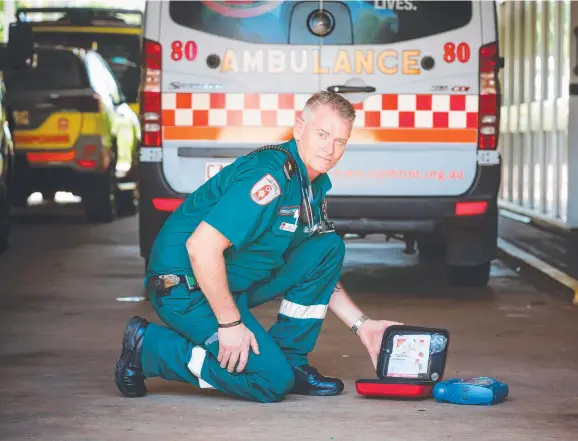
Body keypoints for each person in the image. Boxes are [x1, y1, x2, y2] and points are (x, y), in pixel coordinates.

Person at [114, 91, 402, 403]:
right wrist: (230, 323)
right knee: (268, 381)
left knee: (326, 248)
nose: (330, 149)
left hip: (226, 280)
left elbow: (318, 270)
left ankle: (292, 360)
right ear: (299, 128)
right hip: (184, 288)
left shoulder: (310, 184)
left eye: (340, 141)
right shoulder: (271, 176)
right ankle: (150, 348)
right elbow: (201, 247)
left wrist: (363, 326)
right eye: (322, 134)